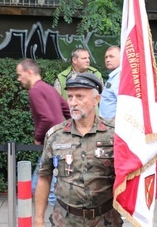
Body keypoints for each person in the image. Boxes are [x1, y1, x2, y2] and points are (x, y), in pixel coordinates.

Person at [34, 73, 122, 227]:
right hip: (65, 220)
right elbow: (44, 176)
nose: (73, 102)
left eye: (80, 97)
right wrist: (39, 219)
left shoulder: (114, 134)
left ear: (96, 100)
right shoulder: (56, 135)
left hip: (106, 220)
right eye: (70, 97)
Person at [16, 58, 70, 205]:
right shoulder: (49, 88)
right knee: (45, 186)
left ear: (29, 72)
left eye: (20, 74)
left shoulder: (35, 91)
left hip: (52, 144)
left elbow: (47, 118)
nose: (19, 79)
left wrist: (37, 137)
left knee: (45, 189)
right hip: (61, 142)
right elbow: (67, 110)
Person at [99, 46, 121, 118]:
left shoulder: (120, 77)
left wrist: (115, 123)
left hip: (113, 126)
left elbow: (124, 105)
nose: (108, 60)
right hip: (107, 124)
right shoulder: (113, 77)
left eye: (111, 57)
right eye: (106, 57)